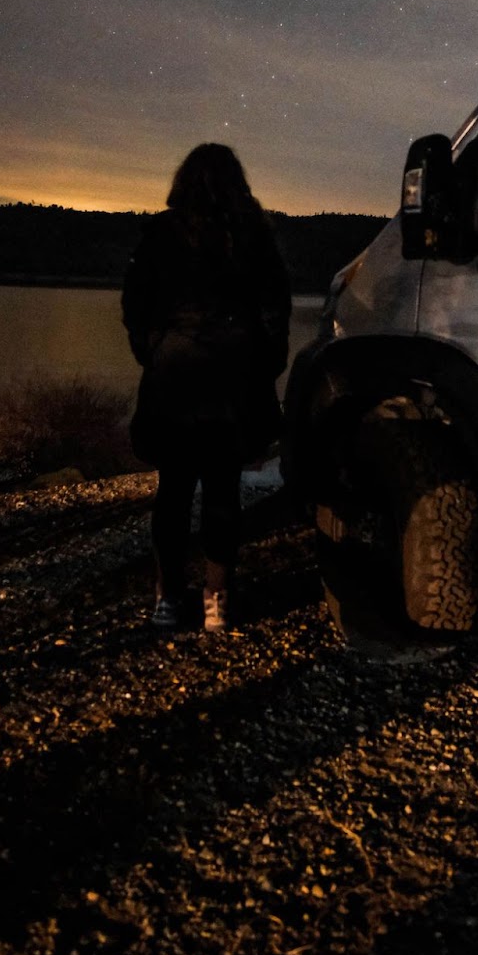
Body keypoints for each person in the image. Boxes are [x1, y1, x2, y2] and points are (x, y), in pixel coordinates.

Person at [121, 143, 292, 633]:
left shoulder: (160, 233)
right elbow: (274, 311)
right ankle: (217, 600)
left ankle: (168, 598)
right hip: (233, 382)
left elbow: (135, 305)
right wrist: (266, 367)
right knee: (222, 490)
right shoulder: (255, 235)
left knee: (172, 491)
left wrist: (153, 351)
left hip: (174, 378)